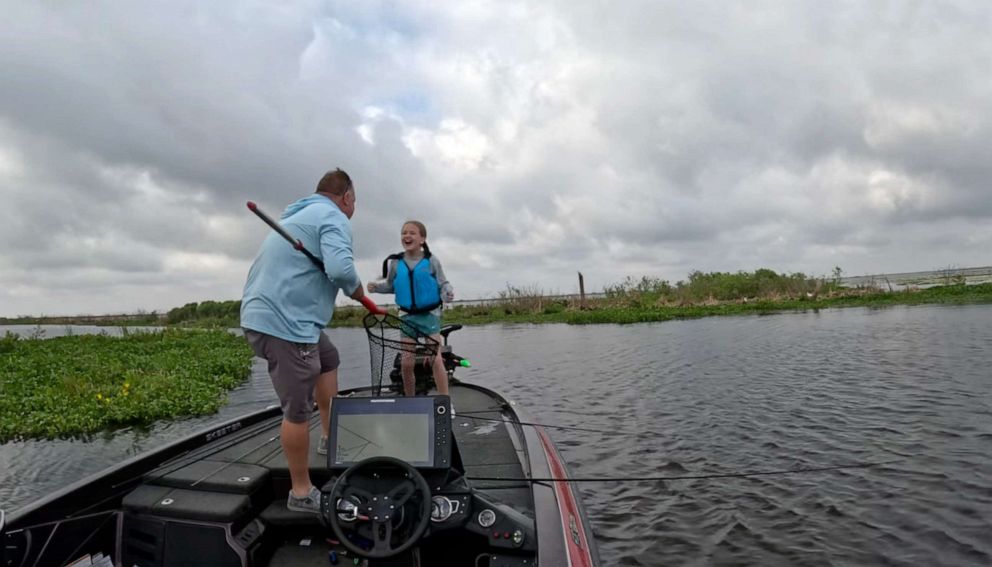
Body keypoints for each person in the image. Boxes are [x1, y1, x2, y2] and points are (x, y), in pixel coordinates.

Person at [241, 168, 373, 514]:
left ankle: (329, 436)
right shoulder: (333, 217)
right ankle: (300, 492)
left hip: (282, 318)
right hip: (284, 324)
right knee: (298, 410)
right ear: (346, 197)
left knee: (327, 359)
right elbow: (342, 271)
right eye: (355, 200)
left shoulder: (303, 213)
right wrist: (359, 293)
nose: (353, 207)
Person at [368, 220, 454, 399]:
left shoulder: (431, 261)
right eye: (404, 233)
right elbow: (391, 286)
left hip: (430, 316)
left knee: (435, 359)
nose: (407, 236)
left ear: (422, 238)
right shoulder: (395, 263)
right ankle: (410, 401)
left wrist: (448, 293)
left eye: (412, 233)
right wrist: (376, 288)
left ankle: (445, 400)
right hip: (407, 317)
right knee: (407, 362)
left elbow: (443, 283)